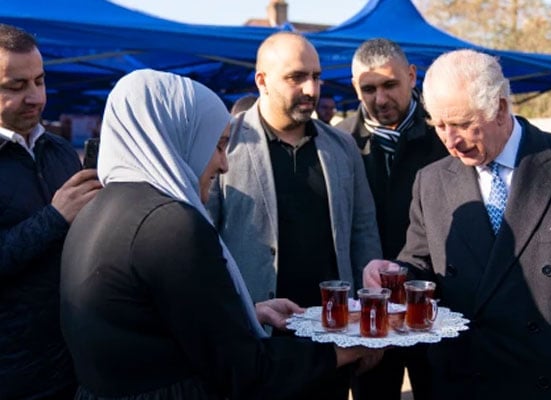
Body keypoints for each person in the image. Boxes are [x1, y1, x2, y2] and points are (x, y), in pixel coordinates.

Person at [60, 69, 379, 399]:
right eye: (218, 146)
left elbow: (149, 324)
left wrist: (241, 314)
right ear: (181, 138)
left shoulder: (98, 209)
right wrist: (345, 348)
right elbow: (244, 370)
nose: (224, 165)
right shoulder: (172, 226)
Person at [363, 48, 551, 399]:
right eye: (439, 125)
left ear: (499, 108)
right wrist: (393, 272)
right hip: (462, 381)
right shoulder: (431, 181)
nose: (451, 141)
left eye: (463, 124)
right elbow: (422, 265)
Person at [207, 32, 382, 400]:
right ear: (262, 81)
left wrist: (370, 324)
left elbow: (363, 233)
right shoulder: (226, 144)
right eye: (296, 77)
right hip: (259, 342)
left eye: (316, 77)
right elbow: (205, 243)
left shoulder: (341, 146)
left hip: (332, 342)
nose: (311, 89)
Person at [335, 37, 447, 400]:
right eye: (369, 89)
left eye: (389, 85)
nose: (380, 99)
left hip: (436, 305)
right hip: (368, 312)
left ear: (412, 76)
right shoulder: (338, 146)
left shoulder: (443, 137)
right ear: (355, 87)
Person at [0, 24, 102, 399]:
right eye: (16, 86)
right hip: (14, 374)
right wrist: (55, 219)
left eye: (39, 81)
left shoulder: (59, 151)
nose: (35, 97)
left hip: (73, 358)